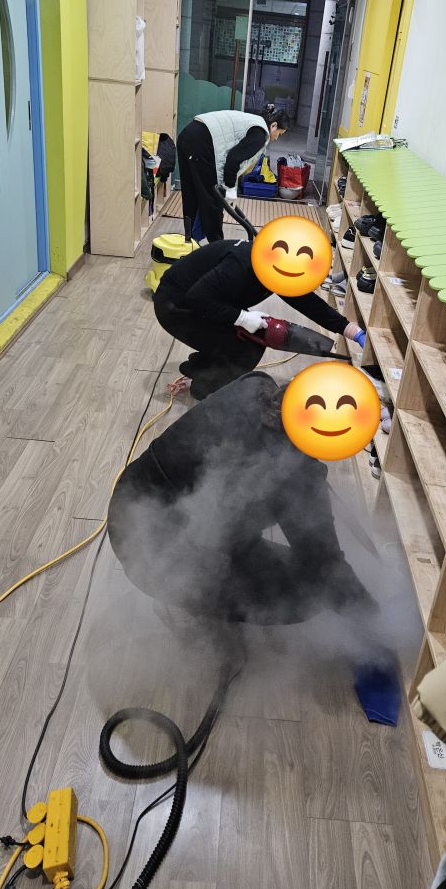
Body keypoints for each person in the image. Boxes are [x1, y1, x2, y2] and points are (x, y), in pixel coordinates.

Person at [107, 371, 374, 628]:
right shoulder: (294, 475)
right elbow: (325, 568)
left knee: (246, 532)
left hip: (127, 511)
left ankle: (201, 585)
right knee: (308, 594)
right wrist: (375, 619)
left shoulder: (254, 384)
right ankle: (186, 609)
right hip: (155, 560)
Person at [154, 236, 366, 401]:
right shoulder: (241, 264)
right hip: (176, 308)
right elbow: (197, 297)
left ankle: (199, 368)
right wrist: (241, 318)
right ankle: (205, 389)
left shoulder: (276, 267)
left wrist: (351, 331)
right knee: (246, 348)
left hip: (206, 302)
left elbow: (308, 303)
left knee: (250, 338)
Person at [177, 106, 289, 243]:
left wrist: (230, 187)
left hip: (188, 135)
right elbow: (233, 159)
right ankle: (217, 247)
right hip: (202, 141)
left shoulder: (254, 123)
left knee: (192, 193)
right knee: (212, 198)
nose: (277, 138)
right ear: (274, 125)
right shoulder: (260, 134)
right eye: (280, 134)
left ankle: (190, 241)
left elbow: (234, 161)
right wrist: (230, 188)